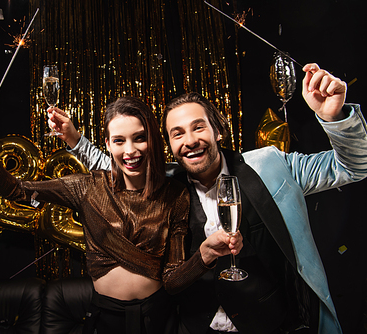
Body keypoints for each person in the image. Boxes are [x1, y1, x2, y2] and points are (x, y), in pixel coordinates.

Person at [48, 63, 367, 334]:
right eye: (177, 133)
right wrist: (76, 141)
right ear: (170, 144)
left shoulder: (271, 165)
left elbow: (353, 167)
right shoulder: (167, 186)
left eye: (198, 127)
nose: (189, 141)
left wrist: (336, 118)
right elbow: (116, 169)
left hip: (272, 324)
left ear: (218, 130)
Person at [0, 97, 243, 334]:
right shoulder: (87, 186)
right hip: (106, 317)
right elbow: (18, 191)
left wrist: (204, 256)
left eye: (139, 138)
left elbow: (172, 281)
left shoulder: (175, 195)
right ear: (108, 145)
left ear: (153, 140)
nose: (130, 150)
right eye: (119, 141)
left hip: (160, 316)